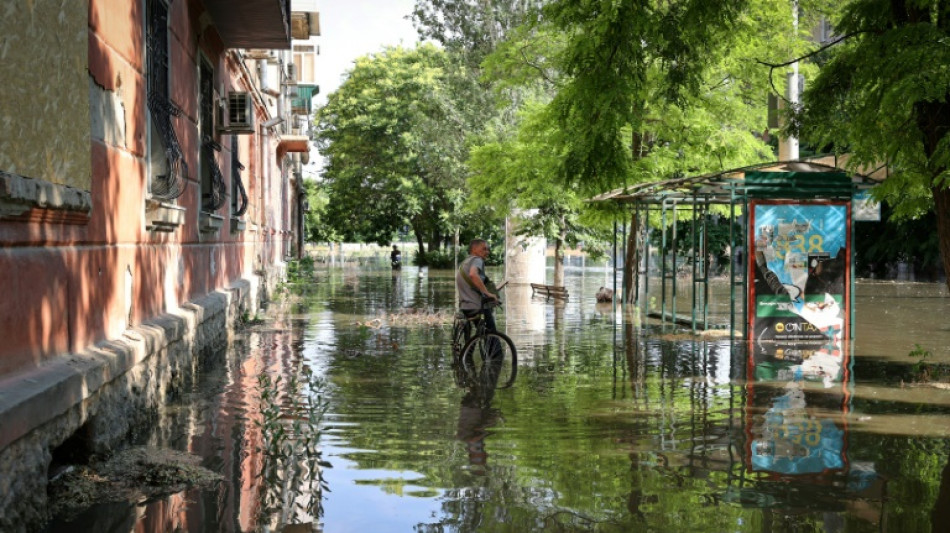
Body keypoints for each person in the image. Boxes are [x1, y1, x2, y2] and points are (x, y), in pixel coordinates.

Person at [455, 239, 499, 332]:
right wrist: (487, 293)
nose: (487, 252)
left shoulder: (465, 262)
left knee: (478, 333)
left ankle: (470, 346)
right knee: (492, 334)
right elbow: (473, 274)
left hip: (464, 306)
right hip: (476, 306)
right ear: (474, 249)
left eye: (488, 249)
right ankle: (494, 345)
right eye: (484, 249)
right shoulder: (477, 260)